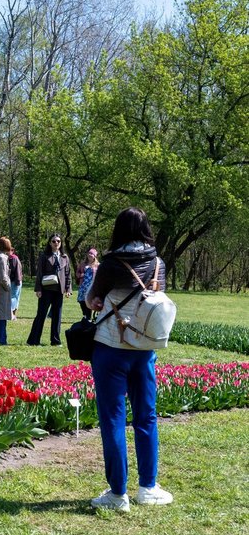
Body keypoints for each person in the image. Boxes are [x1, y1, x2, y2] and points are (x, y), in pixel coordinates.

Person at [85, 207, 173, 511]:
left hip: (110, 348)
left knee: (113, 419)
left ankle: (117, 493)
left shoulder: (109, 264)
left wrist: (96, 299)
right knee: (146, 416)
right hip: (144, 348)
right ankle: (148, 486)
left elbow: (91, 299)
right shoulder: (158, 263)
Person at [27, 233, 72, 346]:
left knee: (57, 316)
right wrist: (38, 289)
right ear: (50, 243)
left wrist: (68, 289)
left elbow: (68, 274)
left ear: (61, 243)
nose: (56, 243)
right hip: (46, 289)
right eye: (53, 241)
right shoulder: (44, 256)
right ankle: (33, 341)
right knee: (41, 315)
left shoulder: (64, 257)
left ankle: (55, 341)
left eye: (58, 241)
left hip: (59, 290)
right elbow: (39, 273)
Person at [77, 248, 100, 320]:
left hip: (91, 286)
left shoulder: (98, 265)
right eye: (89, 254)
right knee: (81, 301)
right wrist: (80, 275)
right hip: (83, 286)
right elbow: (77, 272)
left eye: (92, 254)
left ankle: (88, 317)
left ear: (95, 256)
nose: (90, 255)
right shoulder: (83, 264)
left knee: (89, 301)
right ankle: (84, 314)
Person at [8, 245, 23, 320]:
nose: (9, 251)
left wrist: (17, 281)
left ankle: (13, 314)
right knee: (13, 297)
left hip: (15, 281)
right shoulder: (6, 258)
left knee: (14, 297)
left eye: (11, 250)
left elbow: (17, 270)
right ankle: (11, 314)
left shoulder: (14, 258)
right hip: (11, 281)